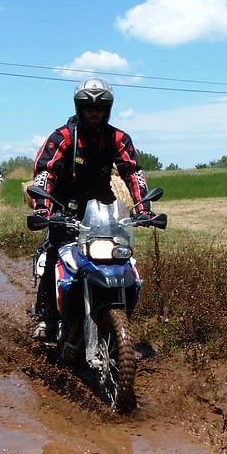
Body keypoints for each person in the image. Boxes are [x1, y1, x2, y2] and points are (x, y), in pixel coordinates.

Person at [30, 77, 152, 340]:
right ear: (79, 108)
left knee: (121, 260)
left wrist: (143, 208)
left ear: (107, 110)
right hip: (65, 208)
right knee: (56, 255)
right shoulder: (63, 137)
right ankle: (45, 315)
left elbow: (133, 171)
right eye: (88, 108)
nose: (93, 113)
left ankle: (116, 321)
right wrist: (43, 209)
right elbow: (44, 170)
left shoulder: (118, 137)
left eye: (99, 108)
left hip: (102, 209)